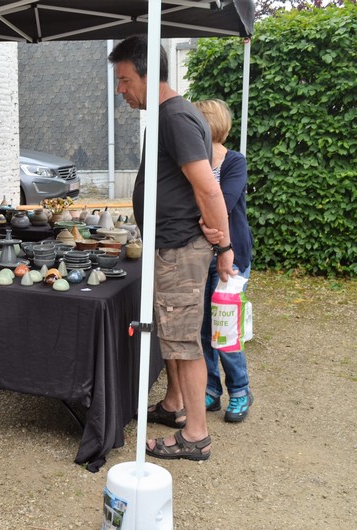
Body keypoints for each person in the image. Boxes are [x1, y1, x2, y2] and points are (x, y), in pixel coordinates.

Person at [108, 35, 236, 461]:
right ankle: (174, 404)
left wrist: (225, 244)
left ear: (149, 75)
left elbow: (208, 188)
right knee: (173, 334)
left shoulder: (176, 117)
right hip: (172, 245)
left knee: (183, 342)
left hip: (180, 248)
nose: (121, 90)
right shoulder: (168, 114)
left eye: (125, 80)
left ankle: (196, 436)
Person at [194, 99, 255, 422]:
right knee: (203, 329)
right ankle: (211, 389)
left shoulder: (235, 161)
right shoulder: (193, 162)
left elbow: (225, 203)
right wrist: (204, 220)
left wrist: (204, 221)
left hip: (232, 255)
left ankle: (240, 390)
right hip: (199, 255)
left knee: (225, 328)